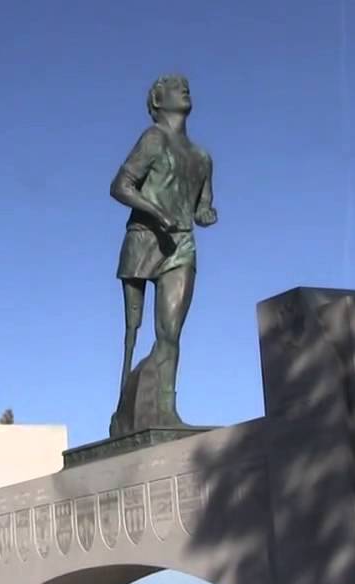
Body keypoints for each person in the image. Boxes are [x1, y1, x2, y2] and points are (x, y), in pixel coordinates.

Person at [110, 73, 218, 430]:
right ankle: (124, 414)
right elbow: (120, 186)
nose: (184, 87)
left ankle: (166, 411)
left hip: (181, 245)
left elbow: (203, 207)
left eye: (186, 84)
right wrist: (157, 212)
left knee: (169, 332)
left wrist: (206, 214)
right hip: (144, 239)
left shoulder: (202, 158)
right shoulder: (153, 139)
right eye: (173, 85)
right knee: (132, 332)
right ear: (158, 101)